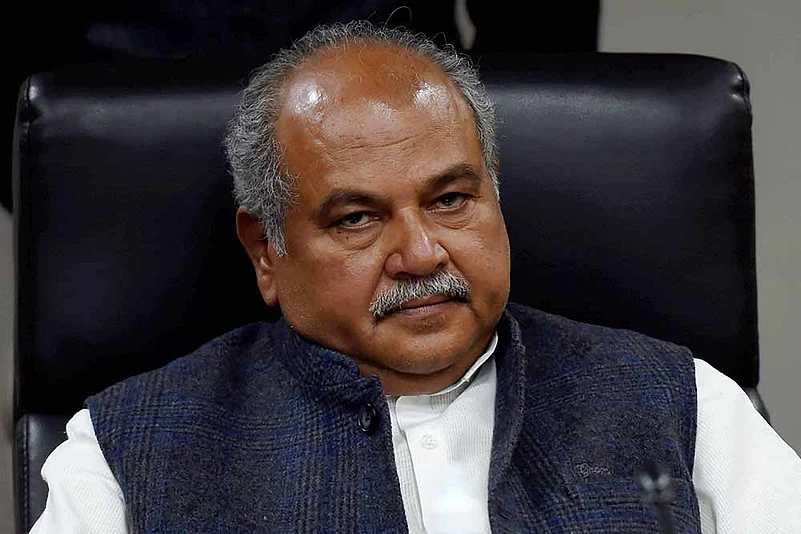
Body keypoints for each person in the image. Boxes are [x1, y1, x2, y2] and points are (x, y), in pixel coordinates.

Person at [30, 21, 800, 533]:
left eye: (451, 200)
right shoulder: (124, 451)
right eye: (356, 218)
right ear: (266, 251)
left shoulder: (684, 403)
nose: (421, 254)